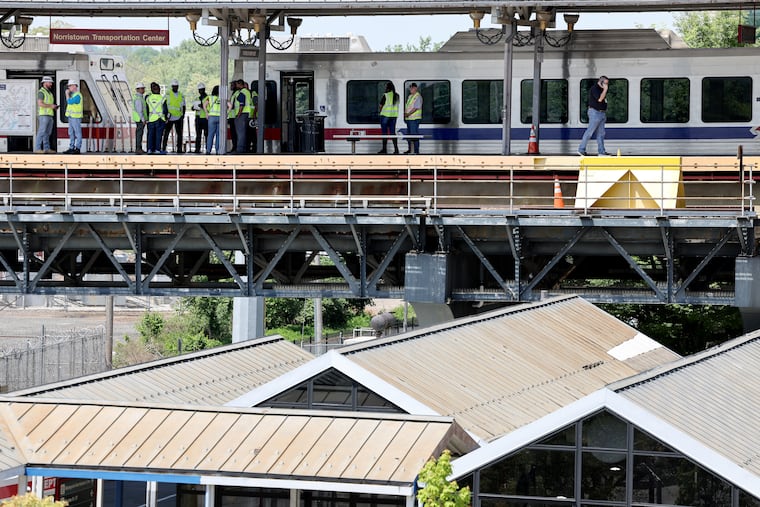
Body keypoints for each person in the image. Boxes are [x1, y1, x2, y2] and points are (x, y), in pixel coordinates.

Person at [578, 76, 611, 156]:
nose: (607, 85)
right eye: (605, 83)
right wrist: (605, 89)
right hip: (595, 113)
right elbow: (600, 99)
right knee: (590, 131)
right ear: (601, 82)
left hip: (602, 113)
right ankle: (581, 149)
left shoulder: (602, 89)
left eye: (607, 83)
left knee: (601, 133)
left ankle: (601, 151)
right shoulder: (595, 89)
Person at [34, 76, 58, 154]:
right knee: (41, 132)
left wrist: (53, 107)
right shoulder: (41, 92)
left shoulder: (49, 93)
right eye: (50, 82)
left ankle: (46, 148)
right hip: (44, 115)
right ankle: (37, 148)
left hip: (49, 115)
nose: (51, 84)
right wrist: (51, 106)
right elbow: (40, 104)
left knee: (47, 133)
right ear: (45, 83)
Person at [161, 79, 186, 154]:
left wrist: (183, 115)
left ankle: (179, 149)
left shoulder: (181, 95)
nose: (175, 87)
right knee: (166, 133)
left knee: (179, 134)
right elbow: (164, 105)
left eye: (176, 86)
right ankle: (164, 148)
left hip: (178, 117)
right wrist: (165, 115)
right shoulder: (168, 94)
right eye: (174, 86)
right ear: (172, 86)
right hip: (170, 117)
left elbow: (184, 106)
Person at [377, 82, 399, 154]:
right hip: (394, 116)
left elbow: (380, 105)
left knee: (384, 133)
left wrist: (380, 112)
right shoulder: (397, 96)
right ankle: (396, 150)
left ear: (388, 88)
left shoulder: (386, 95)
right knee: (393, 133)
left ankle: (384, 149)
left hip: (385, 116)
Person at [145, 82, 166, 155]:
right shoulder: (162, 98)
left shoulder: (148, 98)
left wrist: (146, 118)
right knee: (158, 135)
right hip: (160, 119)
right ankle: (157, 149)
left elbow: (146, 109)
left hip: (151, 119)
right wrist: (166, 118)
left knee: (150, 135)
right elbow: (165, 109)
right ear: (159, 89)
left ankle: (149, 149)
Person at [63, 80, 83, 154]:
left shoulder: (78, 95)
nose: (69, 88)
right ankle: (71, 147)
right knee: (71, 132)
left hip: (76, 117)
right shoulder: (74, 95)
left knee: (77, 133)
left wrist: (66, 94)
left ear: (74, 86)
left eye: (70, 86)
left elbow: (69, 102)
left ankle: (77, 148)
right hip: (71, 117)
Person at [403, 82, 423, 154]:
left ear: (415, 88)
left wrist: (408, 114)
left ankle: (416, 151)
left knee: (414, 135)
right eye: (410, 88)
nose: (410, 89)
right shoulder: (410, 96)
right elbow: (408, 106)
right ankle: (410, 149)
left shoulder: (418, 96)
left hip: (414, 119)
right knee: (409, 135)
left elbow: (416, 108)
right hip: (409, 119)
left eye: (411, 88)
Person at [234, 79, 252, 154]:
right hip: (246, 114)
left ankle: (240, 150)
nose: (236, 86)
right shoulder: (247, 92)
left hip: (242, 114)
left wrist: (238, 114)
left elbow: (242, 104)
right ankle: (243, 148)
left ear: (239, 84)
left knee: (240, 133)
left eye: (236, 84)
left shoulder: (242, 93)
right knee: (243, 132)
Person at [204, 85, 223, 155]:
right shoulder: (222, 98)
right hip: (220, 118)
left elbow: (204, 105)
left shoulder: (210, 98)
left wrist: (206, 113)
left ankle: (208, 150)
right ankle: (217, 151)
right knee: (218, 135)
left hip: (211, 117)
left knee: (210, 134)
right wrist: (226, 113)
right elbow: (229, 105)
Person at [131, 82, 147, 154]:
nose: (143, 90)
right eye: (142, 88)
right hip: (139, 119)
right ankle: (138, 148)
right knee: (139, 134)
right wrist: (143, 119)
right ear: (138, 89)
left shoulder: (140, 97)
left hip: (139, 119)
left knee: (140, 134)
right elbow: (139, 110)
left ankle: (139, 148)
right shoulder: (138, 98)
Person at [193, 83, 208, 154]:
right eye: (199, 90)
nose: (200, 91)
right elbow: (194, 106)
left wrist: (202, 106)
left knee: (206, 134)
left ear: (204, 89)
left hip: (205, 118)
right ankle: (197, 149)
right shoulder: (197, 98)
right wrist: (193, 107)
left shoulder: (207, 98)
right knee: (198, 135)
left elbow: (209, 108)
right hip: (198, 118)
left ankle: (208, 148)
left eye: (201, 90)